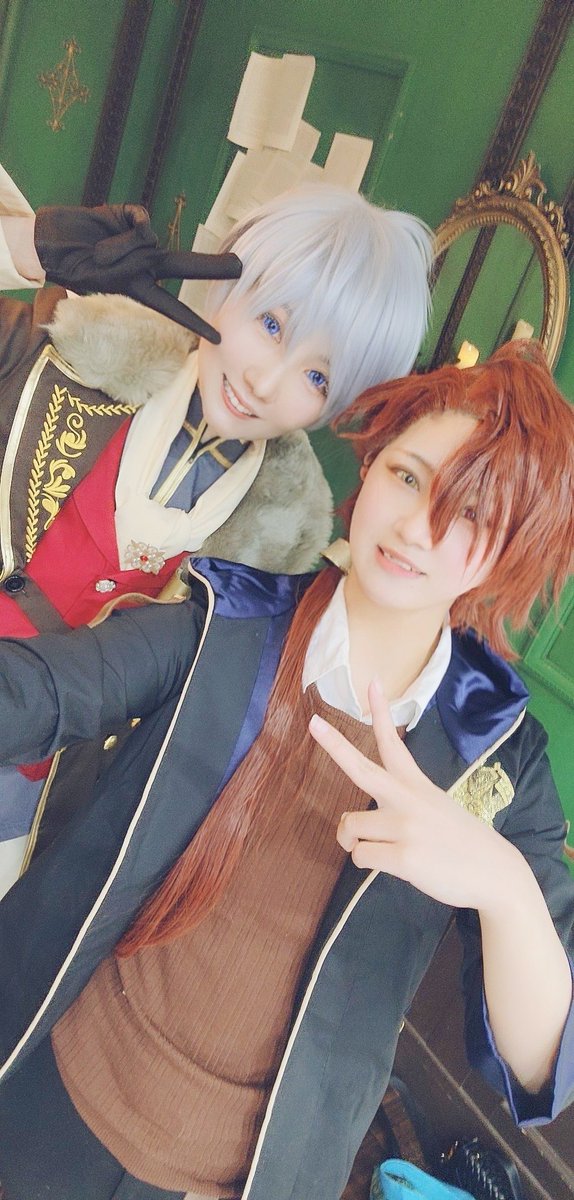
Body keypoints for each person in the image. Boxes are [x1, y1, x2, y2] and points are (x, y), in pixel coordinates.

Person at [0, 339, 572, 1200]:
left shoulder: (498, 759)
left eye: (470, 514)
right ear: (370, 468)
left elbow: (539, 1064)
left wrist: (501, 884)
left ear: (505, 554)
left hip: (242, 1177)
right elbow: (41, 690)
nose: (417, 528)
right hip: (55, 1090)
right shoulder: (230, 620)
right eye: (408, 477)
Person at [0, 166, 433, 892]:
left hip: (36, 810)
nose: (266, 382)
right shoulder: (63, 349)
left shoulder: (280, 541)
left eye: (317, 378)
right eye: (272, 325)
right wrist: (26, 248)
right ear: (228, 283)